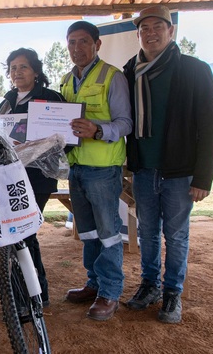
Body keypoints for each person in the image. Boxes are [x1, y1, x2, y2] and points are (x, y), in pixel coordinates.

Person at [123, 6, 213, 324]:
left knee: (176, 235)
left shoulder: (195, 70)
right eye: (144, 28)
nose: (151, 33)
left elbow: (210, 127)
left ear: (171, 31)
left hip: (180, 173)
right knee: (149, 233)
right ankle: (150, 285)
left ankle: (172, 293)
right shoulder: (130, 71)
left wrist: (203, 177)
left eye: (158, 27)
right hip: (144, 169)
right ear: (138, 34)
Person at [60, 21, 133, 321]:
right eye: (72, 43)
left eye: (83, 42)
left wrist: (97, 130)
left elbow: (125, 123)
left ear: (97, 44)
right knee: (88, 232)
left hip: (103, 169)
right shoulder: (66, 80)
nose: (77, 48)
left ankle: (111, 292)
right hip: (76, 169)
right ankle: (93, 283)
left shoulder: (112, 77)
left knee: (108, 233)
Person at [0, 48, 66, 306]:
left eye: (23, 67)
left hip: (38, 177)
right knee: (14, 233)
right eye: (13, 67)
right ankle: (22, 291)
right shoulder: (6, 102)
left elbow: (64, 140)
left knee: (25, 231)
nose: (17, 72)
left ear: (36, 71)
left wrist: (36, 146)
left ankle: (36, 293)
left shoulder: (51, 99)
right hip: (9, 176)